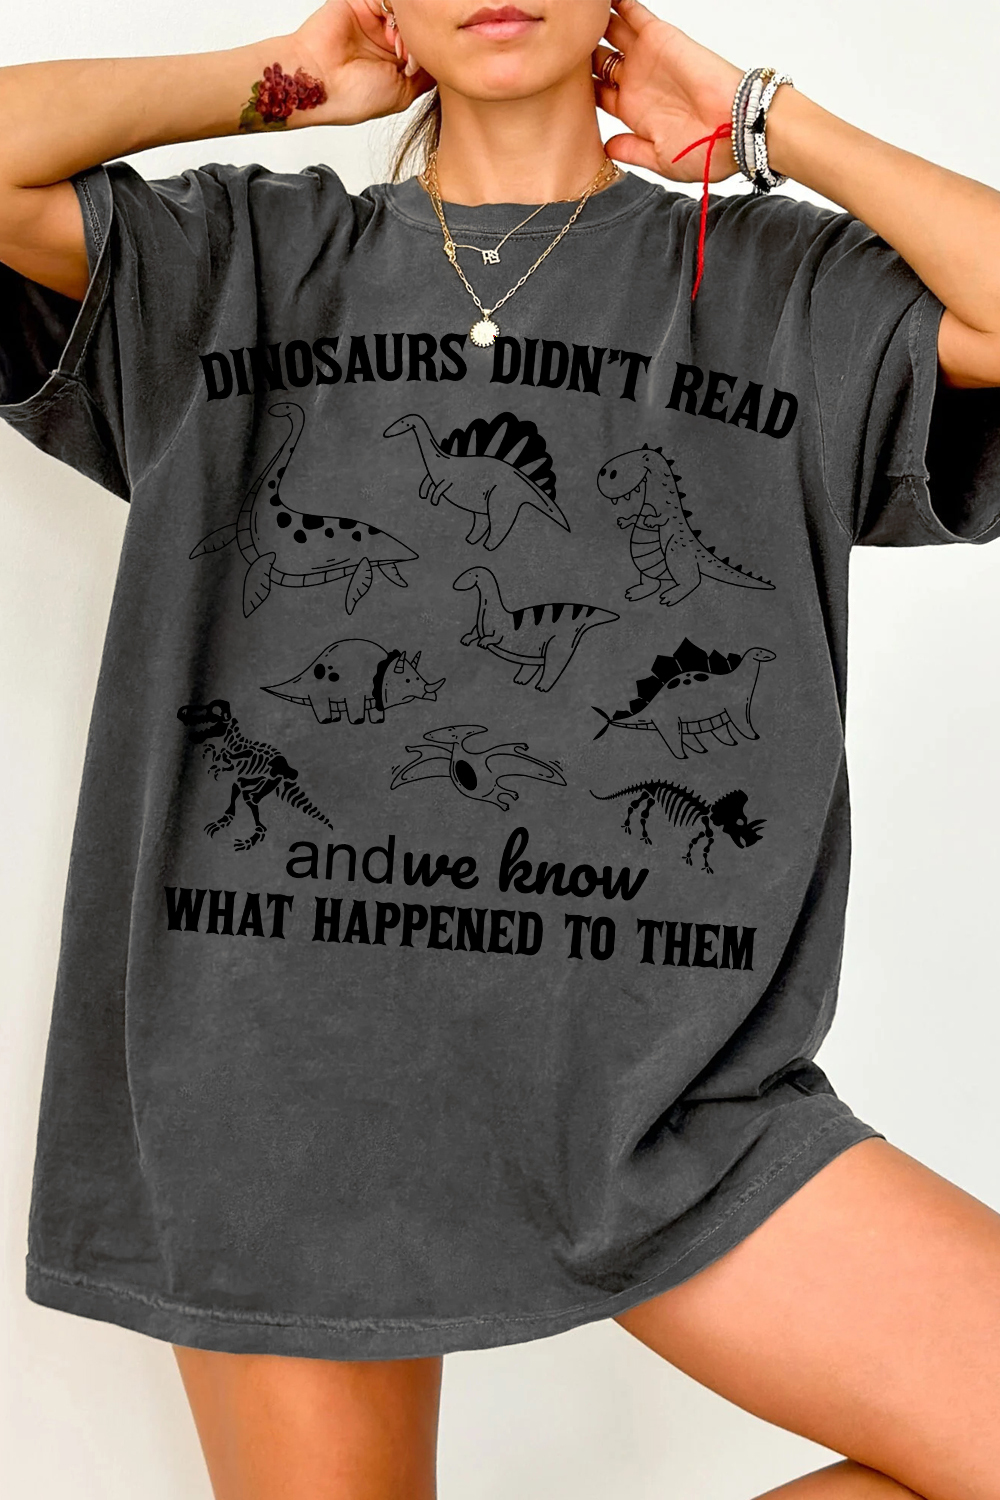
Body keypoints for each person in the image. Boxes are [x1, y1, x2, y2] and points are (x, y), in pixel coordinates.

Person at [2, 0, 999, 1495]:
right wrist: (272, 85)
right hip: (280, 1090)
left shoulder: (778, 284)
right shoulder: (241, 259)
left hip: (667, 1102)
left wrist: (763, 122)